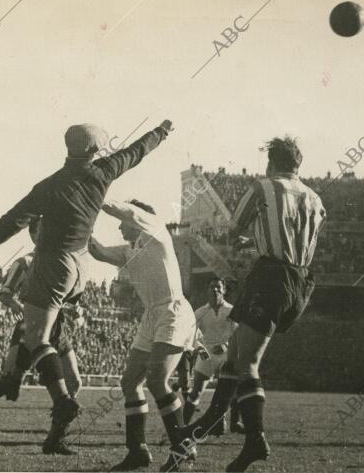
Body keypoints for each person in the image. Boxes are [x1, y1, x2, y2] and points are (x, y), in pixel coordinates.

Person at [0, 121, 173, 451]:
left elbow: (11, 222)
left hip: (53, 262)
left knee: (37, 339)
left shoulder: (49, 186)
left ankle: (61, 401)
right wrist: (160, 131)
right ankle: (55, 433)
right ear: (92, 149)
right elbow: (136, 152)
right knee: (47, 355)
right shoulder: (104, 171)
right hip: (81, 265)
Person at [181, 136, 326, 472]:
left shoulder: (264, 187)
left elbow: (233, 230)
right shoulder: (316, 198)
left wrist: (245, 242)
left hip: (271, 276)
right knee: (234, 357)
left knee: (247, 362)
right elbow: (295, 237)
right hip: (301, 281)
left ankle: (255, 440)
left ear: (271, 162)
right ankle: (204, 426)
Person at [0, 218, 85, 455]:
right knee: (8, 383)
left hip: (58, 329)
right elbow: (5, 295)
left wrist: (76, 311)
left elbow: (69, 302)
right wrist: (25, 309)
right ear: (34, 235)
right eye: (43, 231)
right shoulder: (25, 262)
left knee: (75, 383)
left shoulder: (63, 260)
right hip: (30, 327)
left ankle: (55, 438)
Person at [88, 200, 195, 472]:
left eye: (124, 221)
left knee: (157, 380)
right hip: (151, 315)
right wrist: (80, 221)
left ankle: (182, 447)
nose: (120, 225)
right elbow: (98, 251)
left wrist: (95, 196)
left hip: (173, 309)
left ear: (138, 220)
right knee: (129, 382)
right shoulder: (129, 250)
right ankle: (137, 452)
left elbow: (128, 212)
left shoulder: (155, 231)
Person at [183, 277, 244, 434]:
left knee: (232, 389)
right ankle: (182, 425)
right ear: (207, 290)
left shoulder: (232, 311)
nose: (215, 290)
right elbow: (192, 336)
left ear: (224, 290)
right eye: (212, 287)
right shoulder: (200, 312)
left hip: (227, 354)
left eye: (218, 287)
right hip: (207, 354)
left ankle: (234, 423)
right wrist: (202, 351)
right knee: (196, 391)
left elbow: (238, 334)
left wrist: (225, 346)